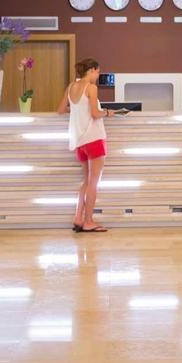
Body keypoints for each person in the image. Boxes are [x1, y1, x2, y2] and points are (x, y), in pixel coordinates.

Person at [57, 58, 114, 233]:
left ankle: (78, 218)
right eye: (97, 72)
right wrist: (107, 112)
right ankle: (89, 221)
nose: (98, 76)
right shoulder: (91, 88)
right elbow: (95, 114)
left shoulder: (71, 87)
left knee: (86, 181)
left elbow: (60, 110)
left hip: (79, 142)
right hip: (94, 139)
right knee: (93, 183)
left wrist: (78, 111)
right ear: (91, 70)